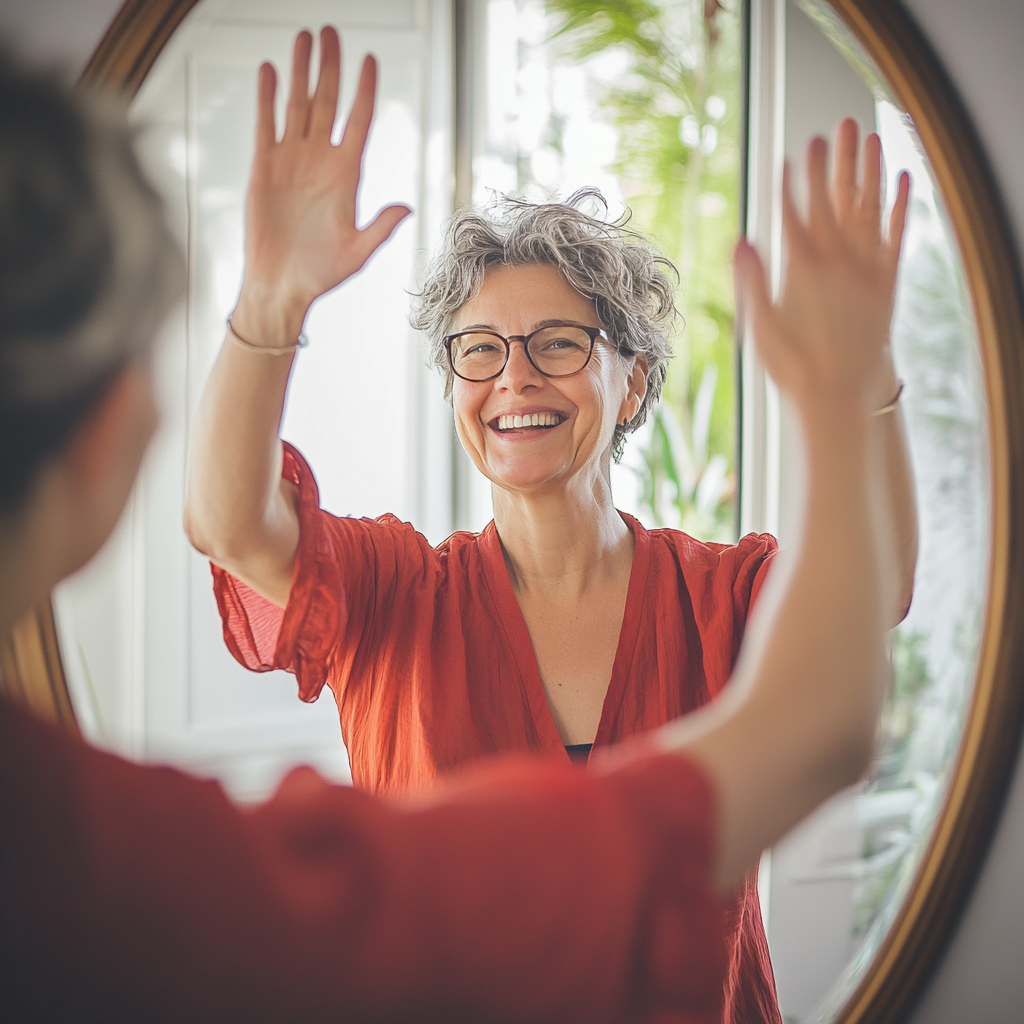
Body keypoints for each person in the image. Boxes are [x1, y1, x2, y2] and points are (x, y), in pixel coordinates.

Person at [0, 35, 905, 1024]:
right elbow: (224, 520)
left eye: (557, 343)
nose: (513, 378)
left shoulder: (718, 591)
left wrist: (866, 381)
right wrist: (271, 295)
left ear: (633, 377)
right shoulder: (391, 587)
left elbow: (880, 585)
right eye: (478, 350)